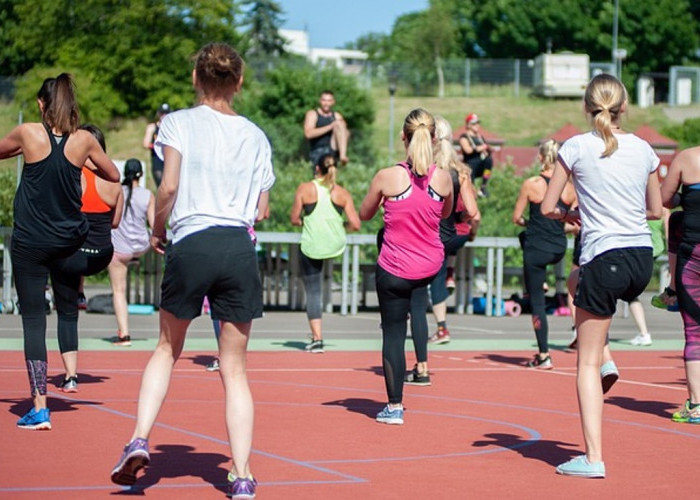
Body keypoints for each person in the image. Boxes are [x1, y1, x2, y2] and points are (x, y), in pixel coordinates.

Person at [110, 42, 274, 500]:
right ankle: (241, 475)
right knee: (235, 370)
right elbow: (261, 208)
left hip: (192, 239)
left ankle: (139, 438)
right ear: (238, 82)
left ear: (195, 79)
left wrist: (159, 229)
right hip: (237, 245)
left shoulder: (177, 123)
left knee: (167, 348)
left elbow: (169, 186)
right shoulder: (256, 136)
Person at [542, 73, 662, 478]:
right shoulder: (644, 148)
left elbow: (546, 207)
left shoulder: (575, 146)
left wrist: (571, 214)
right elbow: (656, 210)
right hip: (641, 258)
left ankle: (593, 457)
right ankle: (608, 359)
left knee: (585, 363)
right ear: (624, 107)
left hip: (603, 253)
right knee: (586, 295)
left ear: (586, 107)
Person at [0, 74, 120, 430]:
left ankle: (40, 406)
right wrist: (80, 161)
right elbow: (112, 174)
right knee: (68, 308)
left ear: (41, 104)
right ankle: (70, 366)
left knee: (33, 321)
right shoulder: (83, 140)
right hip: (68, 244)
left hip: (30, 244)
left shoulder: (28, 134)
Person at [359, 108, 453, 425]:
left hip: (395, 268)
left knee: (394, 334)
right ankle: (422, 365)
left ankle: (395, 406)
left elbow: (365, 214)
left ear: (404, 137)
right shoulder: (443, 177)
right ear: (435, 138)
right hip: (427, 266)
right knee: (419, 311)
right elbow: (445, 211)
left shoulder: (387, 176)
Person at [54, 124, 124, 392]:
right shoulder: (114, 182)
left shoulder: (71, 177)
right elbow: (115, 223)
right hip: (102, 254)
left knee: (67, 314)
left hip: (74, 255)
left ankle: (71, 376)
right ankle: (80, 291)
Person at [512, 139, 576, 369]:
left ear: (540, 158)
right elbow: (576, 223)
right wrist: (558, 227)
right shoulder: (568, 188)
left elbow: (517, 217)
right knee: (532, 246)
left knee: (537, 302)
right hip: (558, 247)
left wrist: (531, 224)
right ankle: (544, 283)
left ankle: (543, 354)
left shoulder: (532, 184)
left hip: (537, 249)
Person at [290, 153, 361, 353]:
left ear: (316, 169)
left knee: (313, 291)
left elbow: (294, 218)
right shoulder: (342, 193)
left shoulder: (305, 189)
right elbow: (355, 224)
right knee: (327, 278)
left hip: (312, 245)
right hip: (335, 244)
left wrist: (305, 221)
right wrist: (340, 225)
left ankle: (317, 338)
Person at [426, 116, 480, 348]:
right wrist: (462, 221)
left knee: (426, 277)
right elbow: (473, 211)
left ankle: (438, 326)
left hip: (433, 233)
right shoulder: (461, 172)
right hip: (457, 234)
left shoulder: (428, 170)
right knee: (438, 269)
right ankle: (449, 270)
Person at [660, 147, 700, 424]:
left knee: (695, 331)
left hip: (694, 255)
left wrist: (685, 197)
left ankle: (696, 404)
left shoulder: (688, 158)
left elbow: (664, 199)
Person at [108, 159, 155, 346]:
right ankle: (136, 260)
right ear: (141, 175)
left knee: (118, 291)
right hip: (141, 246)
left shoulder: (117, 192)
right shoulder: (147, 195)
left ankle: (124, 335)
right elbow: (153, 223)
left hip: (119, 250)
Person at [304, 90, 350, 168]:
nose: (326, 103)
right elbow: (308, 134)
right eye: (324, 100)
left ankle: (342, 156)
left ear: (333, 102)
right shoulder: (313, 114)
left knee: (340, 124)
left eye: (329, 101)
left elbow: (345, 133)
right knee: (321, 179)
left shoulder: (336, 116)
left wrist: (342, 132)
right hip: (318, 151)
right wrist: (330, 127)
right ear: (320, 101)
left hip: (333, 150)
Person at [459, 113, 492, 197]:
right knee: (471, 189)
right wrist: (480, 147)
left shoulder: (480, 137)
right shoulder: (464, 137)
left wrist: (488, 150)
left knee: (489, 160)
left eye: (477, 123)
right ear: (468, 125)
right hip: (471, 165)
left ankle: (483, 186)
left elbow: (486, 149)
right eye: (474, 123)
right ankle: (472, 191)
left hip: (480, 164)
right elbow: (468, 150)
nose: (477, 125)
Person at [142, 103, 170, 188]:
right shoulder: (152, 127)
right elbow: (145, 144)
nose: (164, 115)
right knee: (160, 184)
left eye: (166, 113)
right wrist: (157, 146)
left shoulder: (172, 127)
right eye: (162, 113)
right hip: (157, 158)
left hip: (169, 158)